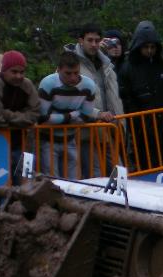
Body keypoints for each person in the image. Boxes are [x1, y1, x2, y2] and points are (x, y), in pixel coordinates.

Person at [119, 21, 163, 169]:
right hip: (142, 129)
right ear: (138, 46)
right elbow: (126, 98)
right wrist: (136, 125)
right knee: (147, 166)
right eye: (146, 47)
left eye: (152, 47)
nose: (150, 50)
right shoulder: (128, 69)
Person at [38, 51, 115, 178]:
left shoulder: (88, 85)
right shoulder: (48, 83)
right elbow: (42, 119)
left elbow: (85, 115)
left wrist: (66, 118)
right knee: (52, 181)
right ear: (58, 70)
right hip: (48, 141)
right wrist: (71, 116)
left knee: (73, 181)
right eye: (68, 73)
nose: (73, 78)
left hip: (70, 139)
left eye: (76, 73)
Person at [66, 23, 123, 177]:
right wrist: (98, 114)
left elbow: (113, 95)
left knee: (120, 173)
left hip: (108, 127)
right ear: (80, 40)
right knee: (95, 175)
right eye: (89, 40)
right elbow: (68, 99)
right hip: (86, 130)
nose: (94, 44)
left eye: (97, 40)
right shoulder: (70, 64)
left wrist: (119, 121)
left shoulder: (105, 63)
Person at [0, 50, 39, 180]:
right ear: (4, 70)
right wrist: (22, 120)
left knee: (23, 185)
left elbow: (35, 113)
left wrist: (6, 114)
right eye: (14, 72)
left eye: (21, 72)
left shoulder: (26, 85)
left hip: (21, 145)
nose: (18, 76)